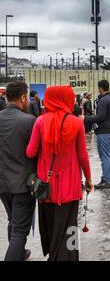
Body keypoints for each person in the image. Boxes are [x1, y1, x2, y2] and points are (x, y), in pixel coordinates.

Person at [26, 86, 93, 261]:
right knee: (70, 224)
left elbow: (30, 152)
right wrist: (88, 179)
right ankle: (69, 257)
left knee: (50, 224)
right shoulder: (77, 122)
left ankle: (53, 255)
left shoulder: (40, 122)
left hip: (46, 186)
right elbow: (83, 155)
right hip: (70, 185)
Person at [0, 82, 36, 261]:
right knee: (20, 231)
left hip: (2, 184)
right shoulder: (29, 121)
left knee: (13, 222)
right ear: (22, 97)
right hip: (22, 184)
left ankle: (20, 253)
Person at [82, 80, 110, 189]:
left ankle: (106, 180)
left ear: (101, 88)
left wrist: (85, 118)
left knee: (105, 156)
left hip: (105, 132)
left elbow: (100, 117)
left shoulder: (103, 100)